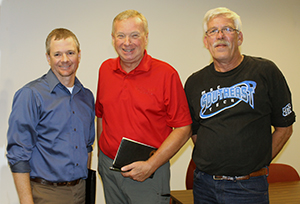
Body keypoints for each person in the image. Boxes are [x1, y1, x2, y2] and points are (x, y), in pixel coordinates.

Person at [184, 7, 296, 204]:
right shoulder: (194, 82)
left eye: (227, 29)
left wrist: (257, 163)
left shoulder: (265, 71)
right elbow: (195, 131)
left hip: (248, 187)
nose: (220, 35)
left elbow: (284, 127)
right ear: (206, 41)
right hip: (204, 185)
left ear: (240, 37)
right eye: (213, 31)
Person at [95, 10, 192, 204]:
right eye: (121, 36)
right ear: (113, 39)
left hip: (149, 174)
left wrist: (150, 165)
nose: (127, 42)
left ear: (146, 38)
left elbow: (184, 128)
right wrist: (101, 156)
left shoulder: (166, 74)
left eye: (134, 35)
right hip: (110, 170)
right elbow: (101, 115)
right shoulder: (105, 70)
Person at [6, 28, 95, 204]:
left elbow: (87, 146)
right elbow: (18, 153)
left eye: (70, 53)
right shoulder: (30, 95)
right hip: (46, 193)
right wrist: (26, 200)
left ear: (79, 55)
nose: (65, 60)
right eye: (57, 54)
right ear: (48, 58)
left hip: (81, 191)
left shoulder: (86, 97)